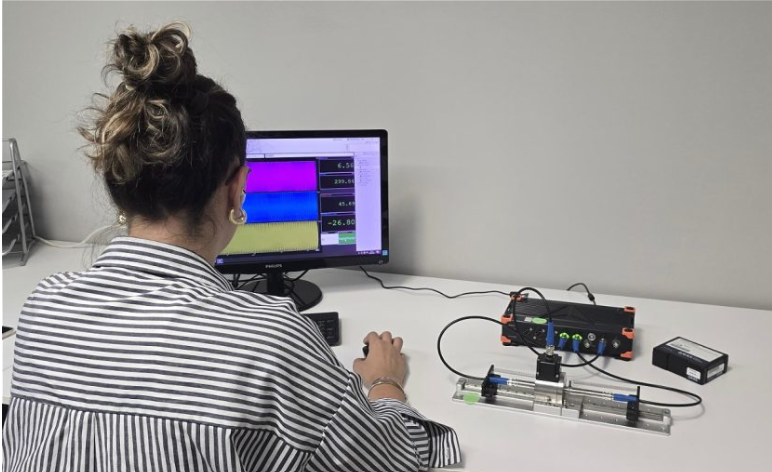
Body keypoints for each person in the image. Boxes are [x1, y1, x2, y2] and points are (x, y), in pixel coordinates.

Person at [2, 22, 461, 471]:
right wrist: (384, 381)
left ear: (120, 186)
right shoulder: (271, 339)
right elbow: (395, 457)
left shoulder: (44, 306)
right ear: (237, 189)